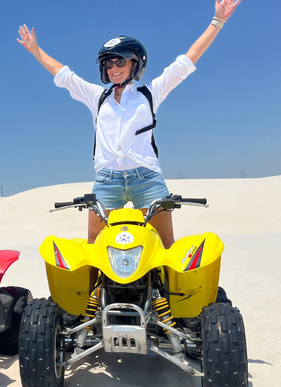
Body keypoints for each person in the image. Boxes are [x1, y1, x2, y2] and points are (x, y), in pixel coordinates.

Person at [17, 0, 242, 248]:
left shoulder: (150, 93)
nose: (113, 68)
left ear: (135, 63)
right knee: (95, 246)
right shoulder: (96, 97)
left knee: (164, 246)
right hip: (107, 179)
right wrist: (36, 51)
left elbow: (185, 63)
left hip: (146, 177)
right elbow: (64, 76)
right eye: (109, 63)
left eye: (120, 62)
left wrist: (218, 21)